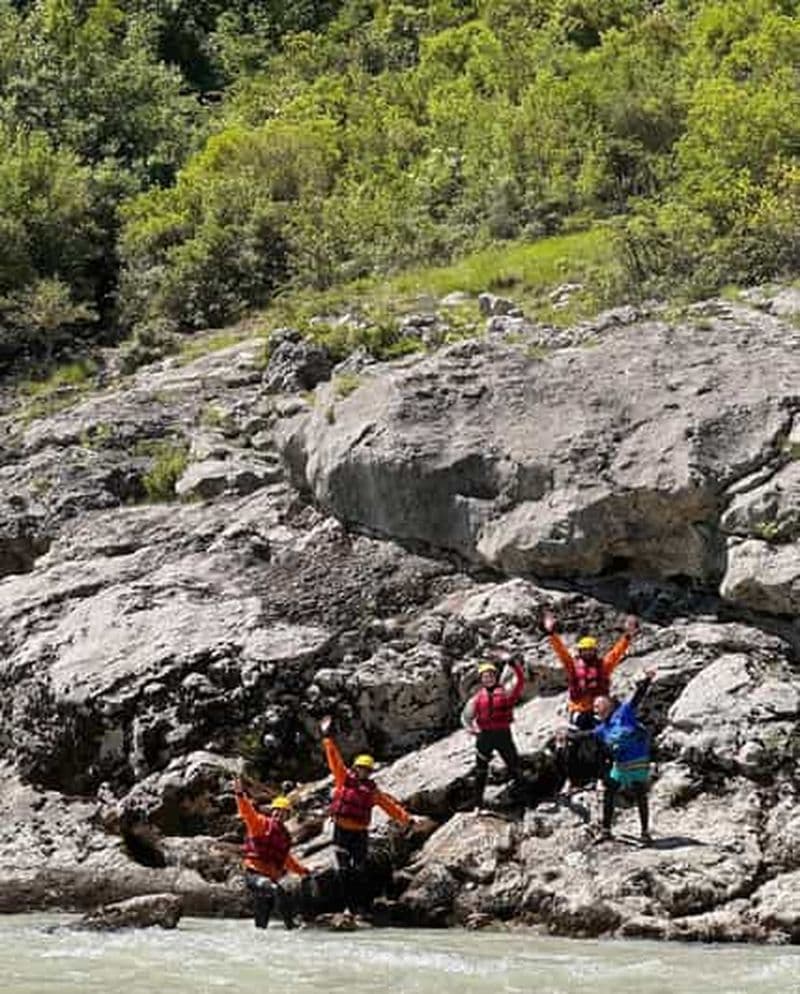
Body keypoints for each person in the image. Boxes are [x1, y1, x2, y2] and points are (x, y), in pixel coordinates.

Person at [320, 716, 411, 914]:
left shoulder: (372, 791)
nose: (364, 772)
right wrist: (327, 738)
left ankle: (359, 906)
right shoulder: (343, 779)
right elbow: (334, 759)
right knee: (343, 871)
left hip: (360, 834)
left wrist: (405, 819)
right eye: (361, 768)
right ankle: (348, 907)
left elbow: (389, 806)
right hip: (341, 830)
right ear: (355, 768)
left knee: (359, 871)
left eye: (367, 770)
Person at [543, 611, 638, 788]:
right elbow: (562, 653)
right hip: (578, 710)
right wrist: (551, 634)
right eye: (584, 650)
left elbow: (616, 653)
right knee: (573, 744)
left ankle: (602, 776)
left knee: (601, 743)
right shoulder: (573, 666)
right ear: (580, 651)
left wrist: (627, 636)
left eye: (590, 650)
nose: (587, 653)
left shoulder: (603, 666)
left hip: (597, 711)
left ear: (594, 651)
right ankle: (573, 779)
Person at [566, 669, 656, 844]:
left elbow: (637, 698)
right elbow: (588, 734)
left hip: (637, 761)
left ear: (607, 706)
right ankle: (606, 831)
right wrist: (568, 735)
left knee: (640, 794)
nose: (595, 710)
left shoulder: (623, 714)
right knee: (609, 792)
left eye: (597, 707)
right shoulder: (602, 728)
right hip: (621, 765)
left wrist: (647, 680)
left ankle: (645, 833)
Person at [233, 776, 310, 929]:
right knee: (276, 889)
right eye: (277, 812)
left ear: (287, 816)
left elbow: (286, 859)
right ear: (272, 811)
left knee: (262, 919)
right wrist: (240, 795)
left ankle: (260, 938)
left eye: (284, 813)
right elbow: (247, 812)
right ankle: (291, 928)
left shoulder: (284, 835)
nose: (279, 815)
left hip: (270, 876)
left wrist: (303, 871)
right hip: (254, 873)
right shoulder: (260, 823)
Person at [461, 654, 526, 811]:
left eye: (490, 675)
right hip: (485, 737)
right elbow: (466, 717)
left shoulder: (505, 692)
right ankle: (478, 804)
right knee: (480, 771)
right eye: (485, 676)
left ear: (495, 677)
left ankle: (525, 800)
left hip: (503, 734)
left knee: (515, 767)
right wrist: (470, 728)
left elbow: (520, 682)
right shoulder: (477, 698)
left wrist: (514, 666)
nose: (488, 678)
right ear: (481, 680)